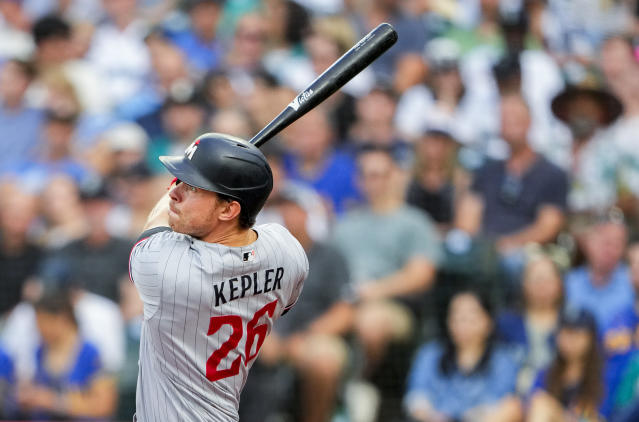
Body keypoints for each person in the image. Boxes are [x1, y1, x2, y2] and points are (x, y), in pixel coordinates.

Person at [129, 133, 309, 421]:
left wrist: (209, 172)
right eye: (181, 182)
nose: (174, 191)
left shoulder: (168, 269)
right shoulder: (287, 252)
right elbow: (281, 303)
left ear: (229, 209)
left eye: (192, 188)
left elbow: (160, 218)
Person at [242, 187, 353, 422]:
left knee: (324, 359)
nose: (287, 215)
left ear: (310, 215)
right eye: (282, 209)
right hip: (265, 337)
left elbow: (344, 311)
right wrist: (261, 335)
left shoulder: (330, 255)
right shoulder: (259, 256)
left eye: (294, 209)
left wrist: (303, 338)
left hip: (309, 338)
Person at [455, 93, 568, 285]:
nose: (510, 123)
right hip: (484, 248)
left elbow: (547, 227)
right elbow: (467, 218)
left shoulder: (552, 173)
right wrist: (483, 246)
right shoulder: (486, 171)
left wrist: (508, 245)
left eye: (516, 118)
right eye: (505, 119)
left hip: (526, 251)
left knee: (512, 264)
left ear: (530, 122)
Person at [404, 289, 522, 422]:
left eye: (470, 317)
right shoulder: (430, 354)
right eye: (457, 317)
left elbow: (501, 402)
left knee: (512, 407)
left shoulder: (503, 359)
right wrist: (431, 415)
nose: (463, 323)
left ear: (489, 322)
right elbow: (417, 396)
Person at [16, 289, 117, 420]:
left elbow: (104, 406)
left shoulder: (91, 353)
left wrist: (54, 401)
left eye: (42, 322)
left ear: (61, 319)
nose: (38, 329)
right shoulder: (39, 351)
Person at [496, 249, 564, 394]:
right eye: (536, 280)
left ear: (559, 283)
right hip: (513, 396)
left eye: (547, 279)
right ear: (524, 284)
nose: (542, 286)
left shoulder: (573, 321)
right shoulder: (506, 323)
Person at [528, 307, 606, 422]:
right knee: (536, 403)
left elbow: (606, 414)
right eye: (564, 333)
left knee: (542, 404)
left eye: (576, 334)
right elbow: (530, 404)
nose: (570, 341)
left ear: (591, 338)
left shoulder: (604, 372)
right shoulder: (548, 372)